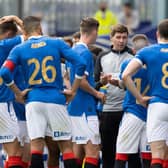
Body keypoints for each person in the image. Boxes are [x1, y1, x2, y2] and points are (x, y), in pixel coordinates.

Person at [0, 16, 86, 168]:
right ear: (40, 28)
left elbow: (5, 72)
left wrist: (18, 92)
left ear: (24, 32)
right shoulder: (57, 43)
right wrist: (73, 90)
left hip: (33, 101)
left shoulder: (19, 48)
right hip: (56, 99)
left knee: (36, 147)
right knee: (65, 147)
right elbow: (80, 63)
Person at [122, 19, 168, 168]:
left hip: (158, 105)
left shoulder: (147, 51)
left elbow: (125, 75)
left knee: (157, 155)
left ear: (157, 33)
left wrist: (140, 97)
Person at [94, 24, 134, 168]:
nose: (121, 40)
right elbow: (94, 84)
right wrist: (101, 82)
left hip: (127, 111)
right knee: (108, 153)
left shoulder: (133, 56)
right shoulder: (102, 56)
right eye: (118, 37)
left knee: (130, 153)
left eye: (124, 37)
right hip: (108, 111)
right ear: (111, 38)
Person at [67, 17, 105, 168]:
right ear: (94, 32)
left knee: (77, 151)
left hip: (75, 107)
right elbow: (81, 81)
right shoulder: (85, 53)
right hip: (85, 109)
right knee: (93, 151)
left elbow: (68, 77)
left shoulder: (72, 50)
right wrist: (98, 94)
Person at [0, 15, 26, 168]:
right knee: (15, 152)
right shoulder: (5, 45)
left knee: (8, 150)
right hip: (2, 103)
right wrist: (16, 19)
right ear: (10, 35)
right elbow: (31, 35)